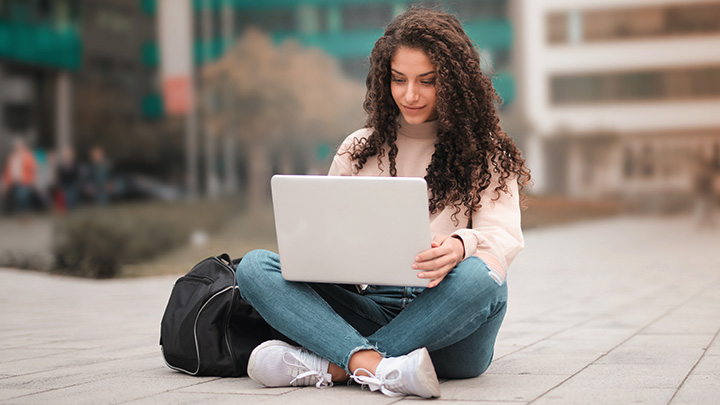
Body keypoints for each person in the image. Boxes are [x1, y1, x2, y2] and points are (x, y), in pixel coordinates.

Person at [236, 7, 530, 399]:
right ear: (383, 79)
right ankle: (379, 368)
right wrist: (313, 246)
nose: (410, 95)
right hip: (371, 305)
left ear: (456, 82)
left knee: (486, 279)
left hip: (451, 325)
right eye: (399, 79)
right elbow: (323, 235)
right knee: (255, 267)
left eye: (427, 81)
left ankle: (342, 364)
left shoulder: (485, 152)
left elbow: (503, 237)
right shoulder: (359, 148)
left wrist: (462, 245)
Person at [1, 137, 37, 214]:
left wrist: (32, 180)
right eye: (16, 147)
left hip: (25, 181)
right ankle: (22, 214)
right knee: (17, 199)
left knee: (23, 198)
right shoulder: (12, 157)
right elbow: (8, 171)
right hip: (15, 182)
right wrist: (5, 182)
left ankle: (25, 213)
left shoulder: (27, 156)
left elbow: (33, 167)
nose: (18, 148)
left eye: (19, 146)